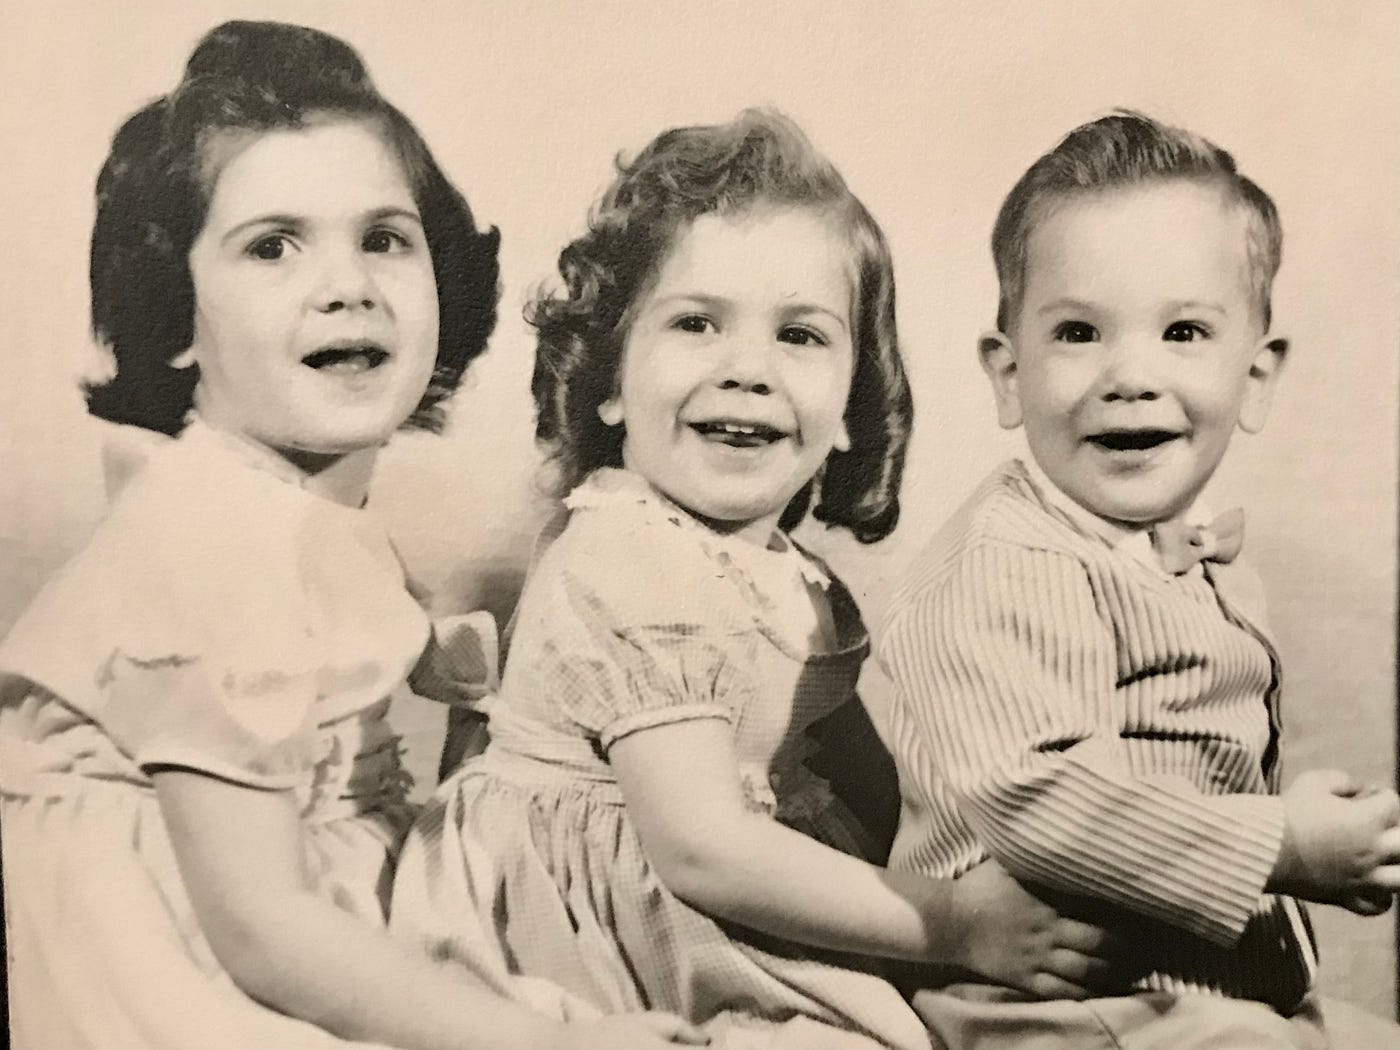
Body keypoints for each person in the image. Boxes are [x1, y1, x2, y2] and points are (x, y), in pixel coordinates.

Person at [0, 20, 705, 1050]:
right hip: (167, 958)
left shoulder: (289, 503)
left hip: (294, 899)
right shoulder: (206, 542)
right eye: (272, 246)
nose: (345, 284)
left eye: (382, 238)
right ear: (178, 317)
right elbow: (263, 931)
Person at [392, 109, 1126, 1050]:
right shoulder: (629, 559)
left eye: (801, 337)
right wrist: (952, 924)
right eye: (696, 323)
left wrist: (986, 873)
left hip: (718, 901)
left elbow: (877, 792)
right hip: (591, 947)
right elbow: (703, 848)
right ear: (609, 380)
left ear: (853, 406)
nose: (747, 370)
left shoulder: (795, 577)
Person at [878, 110, 1400, 1049]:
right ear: (1008, 375)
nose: (1131, 374)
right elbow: (1038, 799)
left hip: (1192, 996)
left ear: (1259, 375)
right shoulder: (1008, 561)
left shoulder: (1185, 553)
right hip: (1055, 1005)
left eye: (1185, 331)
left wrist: (1293, 816)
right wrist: (1282, 843)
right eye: (1079, 331)